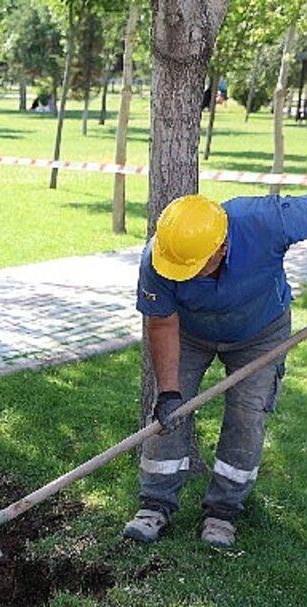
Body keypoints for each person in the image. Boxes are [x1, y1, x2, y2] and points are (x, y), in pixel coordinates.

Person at [122, 193, 307, 549]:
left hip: (261, 333)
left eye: (192, 267)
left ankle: (223, 512)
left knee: (247, 414)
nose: (182, 275)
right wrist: (170, 392)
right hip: (189, 333)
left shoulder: (266, 220)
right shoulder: (159, 258)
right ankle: (155, 505)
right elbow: (161, 324)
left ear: (221, 248)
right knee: (169, 414)